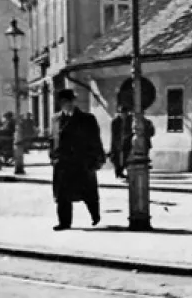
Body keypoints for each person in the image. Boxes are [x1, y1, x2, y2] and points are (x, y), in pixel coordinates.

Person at [50, 89, 106, 231]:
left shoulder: (87, 119)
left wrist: (97, 158)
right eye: (64, 102)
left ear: (74, 102)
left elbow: (95, 140)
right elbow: (52, 139)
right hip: (62, 163)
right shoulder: (55, 119)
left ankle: (95, 215)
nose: (67, 105)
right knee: (62, 195)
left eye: (69, 101)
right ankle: (64, 223)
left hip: (81, 162)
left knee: (88, 192)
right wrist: (52, 156)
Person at [117, 109, 155, 181]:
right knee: (133, 160)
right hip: (133, 143)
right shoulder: (132, 122)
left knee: (142, 161)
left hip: (144, 144)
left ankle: (141, 176)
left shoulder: (147, 122)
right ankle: (132, 175)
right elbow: (126, 132)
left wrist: (144, 134)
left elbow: (152, 132)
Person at [109, 106, 131, 178]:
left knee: (126, 158)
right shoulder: (115, 121)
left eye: (125, 113)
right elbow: (114, 135)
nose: (124, 115)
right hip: (118, 142)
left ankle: (124, 172)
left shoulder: (129, 120)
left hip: (127, 143)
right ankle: (118, 172)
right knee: (116, 158)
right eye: (122, 113)